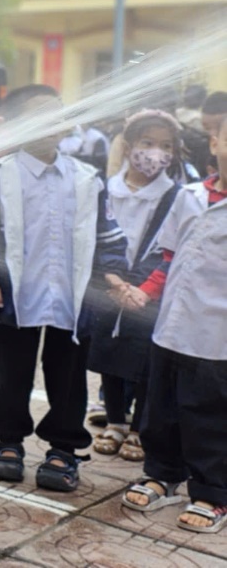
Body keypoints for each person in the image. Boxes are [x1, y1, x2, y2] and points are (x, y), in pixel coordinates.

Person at [0, 85, 129, 494]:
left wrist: (112, 273)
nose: (51, 123)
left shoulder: (87, 179)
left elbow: (104, 232)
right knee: (11, 372)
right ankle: (9, 442)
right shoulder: (0, 178)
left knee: (68, 377)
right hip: (17, 297)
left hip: (72, 300)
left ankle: (63, 449)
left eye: (57, 114)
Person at [119, 111, 227, 535]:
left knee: (210, 415)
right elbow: (168, 257)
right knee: (159, 408)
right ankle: (161, 474)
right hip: (171, 329)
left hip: (217, 339)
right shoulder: (190, 196)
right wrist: (145, 291)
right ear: (214, 141)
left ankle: (212, 493)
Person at [87, 110, 183, 462]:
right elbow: (94, 237)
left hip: (150, 291)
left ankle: (140, 428)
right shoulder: (105, 188)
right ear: (128, 147)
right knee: (109, 352)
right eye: (147, 143)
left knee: (145, 358)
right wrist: (112, 280)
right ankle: (115, 420)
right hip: (109, 285)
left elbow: (168, 246)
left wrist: (139, 287)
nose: (156, 152)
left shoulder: (174, 196)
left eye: (165, 146)